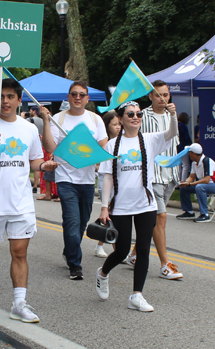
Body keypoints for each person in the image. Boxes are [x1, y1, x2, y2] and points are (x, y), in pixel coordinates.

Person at [0, 78, 57, 323]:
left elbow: (35, 161)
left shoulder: (28, 129)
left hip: (21, 202)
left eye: (10, 96)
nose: (5, 101)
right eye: (1, 97)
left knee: (19, 252)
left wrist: (45, 165)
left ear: (19, 100)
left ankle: (19, 303)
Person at [95, 101, 178, 312]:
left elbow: (171, 134)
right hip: (121, 206)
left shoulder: (150, 140)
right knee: (122, 251)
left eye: (139, 114)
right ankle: (103, 273)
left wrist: (173, 115)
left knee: (142, 250)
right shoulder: (112, 145)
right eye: (130, 114)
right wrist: (104, 207)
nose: (135, 117)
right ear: (121, 119)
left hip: (146, 205)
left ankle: (136, 295)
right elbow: (106, 178)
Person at [40, 81, 108, 280]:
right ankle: (75, 265)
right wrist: (45, 121)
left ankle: (69, 250)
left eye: (81, 94)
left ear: (87, 99)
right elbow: (50, 147)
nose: (77, 97)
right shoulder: (58, 119)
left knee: (81, 224)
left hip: (87, 181)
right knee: (71, 222)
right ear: (68, 97)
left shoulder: (95, 120)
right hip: (65, 179)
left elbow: (103, 147)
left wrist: (98, 159)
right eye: (74, 94)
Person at [124, 81, 183, 280]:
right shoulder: (142, 116)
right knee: (161, 217)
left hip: (169, 175)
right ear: (151, 97)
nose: (162, 99)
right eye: (158, 95)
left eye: (166, 95)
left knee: (151, 222)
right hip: (152, 175)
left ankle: (134, 254)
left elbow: (174, 142)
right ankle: (165, 264)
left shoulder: (171, 116)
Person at [94, 110, 121, 258]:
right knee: (110, 213)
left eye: (119, 124)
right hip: (106, 180)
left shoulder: (123, 141)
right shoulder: (103, 143)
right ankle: (113, 248)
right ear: (107, 126)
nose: (118, 127)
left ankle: (103, 245)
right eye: (114, 124)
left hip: (120, 181)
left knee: (113, 215)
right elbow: (97, 163)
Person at [176, 143, 215, 222]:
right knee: (184, 188)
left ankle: (205, 214)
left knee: (200, 187)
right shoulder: (194, 163)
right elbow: (192, 177)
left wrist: (190, 184)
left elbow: (206, 180)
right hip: (204, 185)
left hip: (212, 184)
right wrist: (185, 183)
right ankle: (189, 212)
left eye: (189, 153)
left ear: (193, 154)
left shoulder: (207, 161)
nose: (188, 155)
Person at [177, 112, 192, 181]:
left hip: (177, 147)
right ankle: (183, 181)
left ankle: (178, 180)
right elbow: (186, 138)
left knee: (179, 165)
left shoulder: (176, 125)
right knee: (186, 165)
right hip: (183, 147)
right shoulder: (183, 126)